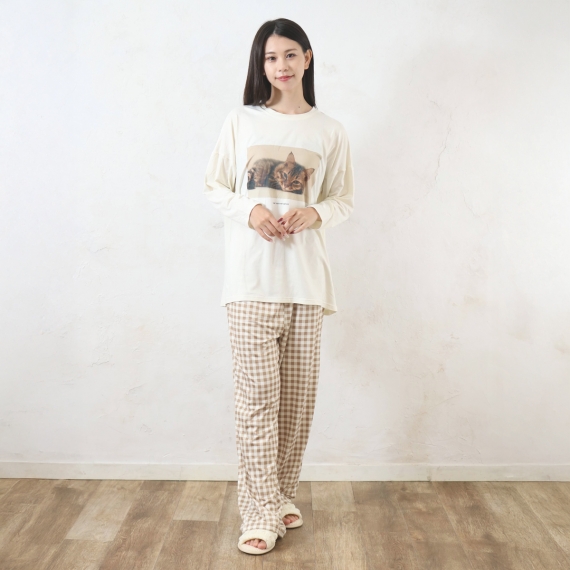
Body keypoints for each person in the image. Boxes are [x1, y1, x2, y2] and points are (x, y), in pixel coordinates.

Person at [203, 17, 355, 556]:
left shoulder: (329, 130)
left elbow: (342, 199)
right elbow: (215, 185)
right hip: (250, 282)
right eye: (270, 58)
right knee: (256, 402)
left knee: (296, 402)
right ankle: (259, 511)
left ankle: (280, 492)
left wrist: (315, 213)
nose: (281, 66)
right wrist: (251, 210)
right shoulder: (241, 120)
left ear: (307, 59)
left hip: (306, 283)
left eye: (290, 55)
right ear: (260, 64)